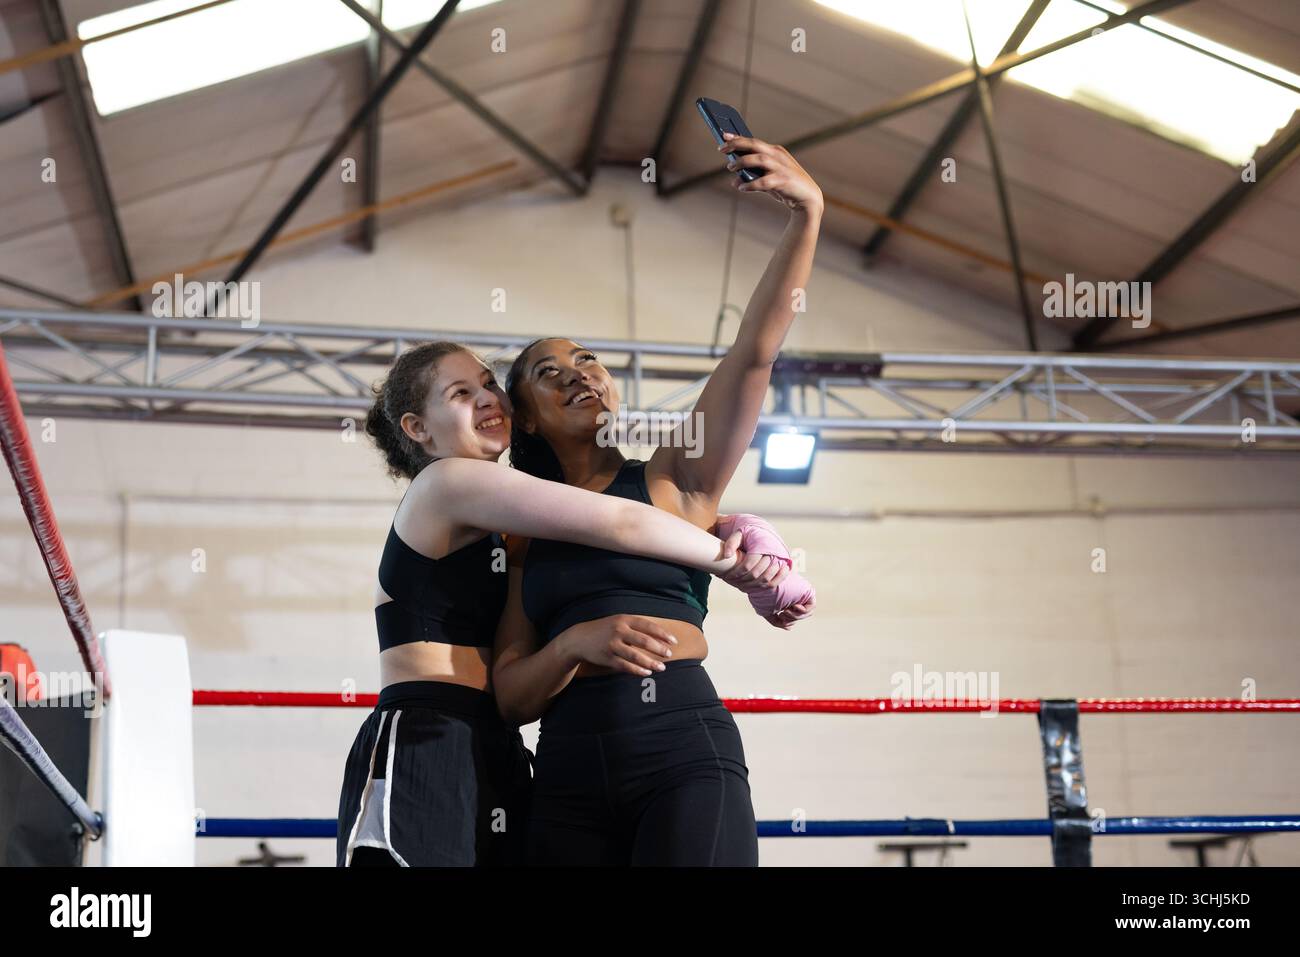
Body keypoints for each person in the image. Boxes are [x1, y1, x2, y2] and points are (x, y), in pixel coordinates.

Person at [492, 132, 824, 866]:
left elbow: (754, 351)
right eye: (549, 372)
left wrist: (807, 213)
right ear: (527, 416)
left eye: (587, 359)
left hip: (680, 746)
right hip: (568, 765)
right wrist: (575, 643)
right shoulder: (519, 528)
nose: (577, 373)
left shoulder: (674, 477)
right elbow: (512, 697)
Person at [337, 340, 798, 866]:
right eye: (462, 393)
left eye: (489, 384)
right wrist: (734, 562)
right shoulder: (444, 482)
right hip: (430, 730)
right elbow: (621, 522)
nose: (488, 399)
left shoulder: (507, 525)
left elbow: (606, 531)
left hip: (501, 745)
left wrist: (737, 524)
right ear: (418, 428)